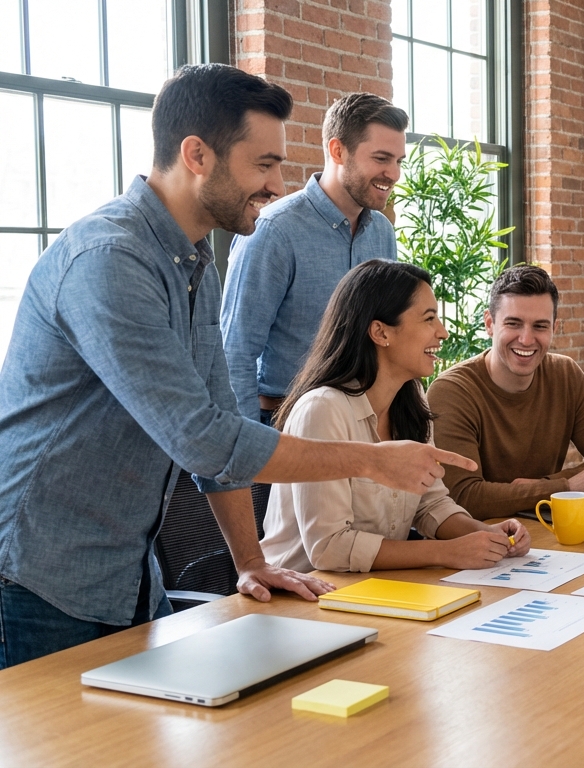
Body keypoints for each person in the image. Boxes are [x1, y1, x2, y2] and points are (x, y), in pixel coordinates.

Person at [0, 65, 472, 670]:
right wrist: (371, 459)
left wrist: (250, 562)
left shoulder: (193, 258)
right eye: (264, 164)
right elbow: (202, 438)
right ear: (197, 154)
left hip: (128, 572)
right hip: (41, 578)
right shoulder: (111, 259)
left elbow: (219, 415)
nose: (277, 185)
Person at [260, 261, 530, 571]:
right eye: (429, 319)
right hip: (302, 601)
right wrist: (446, 553)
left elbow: (430, 503)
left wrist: (487, 535)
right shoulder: (323, 409)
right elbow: (329, 548)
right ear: (380, 332)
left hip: (377, 591)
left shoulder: (411, 399)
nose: (442, 332)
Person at [222, 92, 407, 424]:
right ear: (338, 151)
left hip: (363, 423)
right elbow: (235, 354)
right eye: (382, 158)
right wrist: (247, 461)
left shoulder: (382, 231)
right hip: (284, 422)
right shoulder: (274, 231)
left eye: (398, 161)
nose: (393, 174)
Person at [428, 265, 584, 519]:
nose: (526, 339)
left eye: (540, 326)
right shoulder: (452, 391)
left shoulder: (565, 374)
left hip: (543, 529)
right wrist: (566, 487)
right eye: (514, 324)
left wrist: (541, 486)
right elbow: (464, 497)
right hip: (478, 539)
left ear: (554, 328)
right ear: (490, 324)